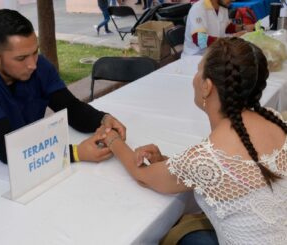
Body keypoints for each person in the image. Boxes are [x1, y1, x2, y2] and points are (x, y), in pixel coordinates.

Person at [100, 37, 287, 244]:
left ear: (207, 87)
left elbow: (142, 175)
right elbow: (237, 171)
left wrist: (112, 139)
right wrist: (165, 160)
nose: (194, 78)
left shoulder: (208, 158)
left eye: (198, 70)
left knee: (174, 236)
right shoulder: (275, 119)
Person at [0, 9, 126, 164]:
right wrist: (75, 153)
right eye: (21, 58)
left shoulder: (40, 65)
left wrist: (103, 119)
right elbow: (8, 150)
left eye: (35, 52)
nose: (33, 64)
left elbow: (70, 108)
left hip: (35, 152)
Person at [182, 0, 255, 56]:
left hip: (216, 51)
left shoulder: (223, 7)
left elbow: (226, 27)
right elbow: (200, 40)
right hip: (196, 56)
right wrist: (229, 39)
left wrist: (244, 27)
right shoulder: (198, 8)